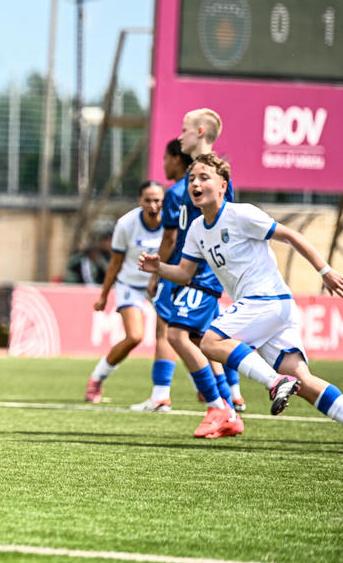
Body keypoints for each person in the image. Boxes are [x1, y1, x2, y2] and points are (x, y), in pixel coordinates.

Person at [140, 153, 343, 450]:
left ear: (223, 185)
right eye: (191, 179)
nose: (195, 184)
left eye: (204, 177)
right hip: (269, 309)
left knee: (210, 342)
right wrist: (159, 268)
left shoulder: (241, 214)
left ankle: (273, 382)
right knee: (302, 380)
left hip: (267, 300)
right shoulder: (197, 230)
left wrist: (324, 271)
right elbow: (185, 273)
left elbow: (290, 235)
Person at [149, 109, 243, 438]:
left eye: (184, 129)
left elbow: (221, 229)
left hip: (200, 275)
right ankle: (230, 404)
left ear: (200, 131)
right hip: (187, 273)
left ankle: (218, 406)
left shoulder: (214, 182)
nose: (180, 136)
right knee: (206, 342)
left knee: (176, 334)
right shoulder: (185, 187)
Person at [84, 181, 164, 403]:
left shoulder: (172, 222)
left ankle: (180, 390)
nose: (153, 205)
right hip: (130, 285)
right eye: (148, 200)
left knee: (172, 337)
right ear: (139, 201)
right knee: (134, 337)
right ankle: (97, 378)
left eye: (157, 200)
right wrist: (103, 295)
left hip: (159, 285)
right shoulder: (126, 224)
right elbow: (115, 263)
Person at [132, 138, 192, 412]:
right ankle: (231, 394)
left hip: (179, 269)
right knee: (206, 336)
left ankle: (160, 395)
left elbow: (170, 238)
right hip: (208, 270)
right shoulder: (212, 186)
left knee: (165, 331)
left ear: (177, 158)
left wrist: (156, 274)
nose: (164, 164)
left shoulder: (178, 192)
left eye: (166, 158)